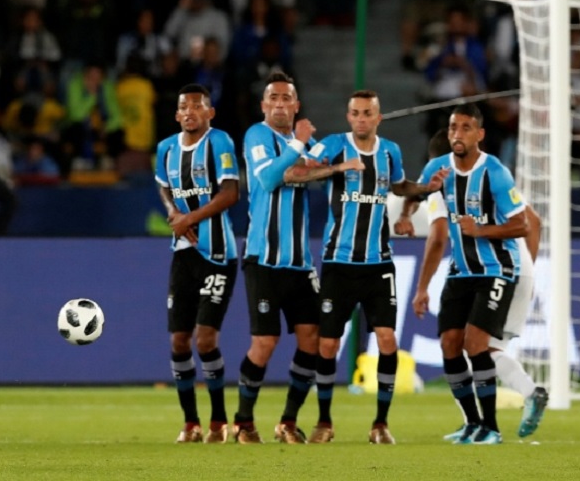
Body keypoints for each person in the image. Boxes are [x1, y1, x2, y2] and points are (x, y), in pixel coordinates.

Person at [291, 90, 447, 444]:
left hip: (379, 264)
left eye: (368, 113)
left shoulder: (389, 151)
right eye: (356, 113)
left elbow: (398, 186)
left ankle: (380, 424)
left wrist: (424, 188)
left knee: (388, 341)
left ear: (378, 117)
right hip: (338, 262)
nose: (361, 119)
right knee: (328, 346)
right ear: (349, 117)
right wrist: (336, 168)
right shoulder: (332, 145)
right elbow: (295, 173)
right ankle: (324, 422)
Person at [402, 128, 548, 441]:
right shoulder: (488, 181)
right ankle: (476, 424)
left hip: (502, 271)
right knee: (464, 344)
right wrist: (528, 268)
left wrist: (423, 286)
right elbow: (533, 221)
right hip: (497, 270)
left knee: (481, 347)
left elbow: (438, 236)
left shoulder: (446, 185)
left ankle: (525, 396)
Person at [232, 71, 341, 445]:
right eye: (273, 98)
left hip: (299, 264)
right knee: (265, 343)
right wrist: (300, 146)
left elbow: (309, 172)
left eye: (286, 98)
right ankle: (243, 422)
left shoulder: (302, 144)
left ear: (296, 106)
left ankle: (288, 421)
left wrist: (330, 163)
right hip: (263, 259)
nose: (279, 104)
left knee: (313, 339)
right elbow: (268, 178)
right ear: (264, 106)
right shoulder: (256, 135)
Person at [154, 83, 240, 444]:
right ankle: (191, 423)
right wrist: (175, 212)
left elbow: (230, 193)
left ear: (210, 112)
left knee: (205, 340)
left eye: (196, 106)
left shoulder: (219, 142)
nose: (189, 111)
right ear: (176, 115)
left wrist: (191, 219)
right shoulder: (165, 149)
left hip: (218, 254)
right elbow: (163, 187)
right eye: (183, 107)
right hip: (183, 256)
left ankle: (219, 421)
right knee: (178, 341)